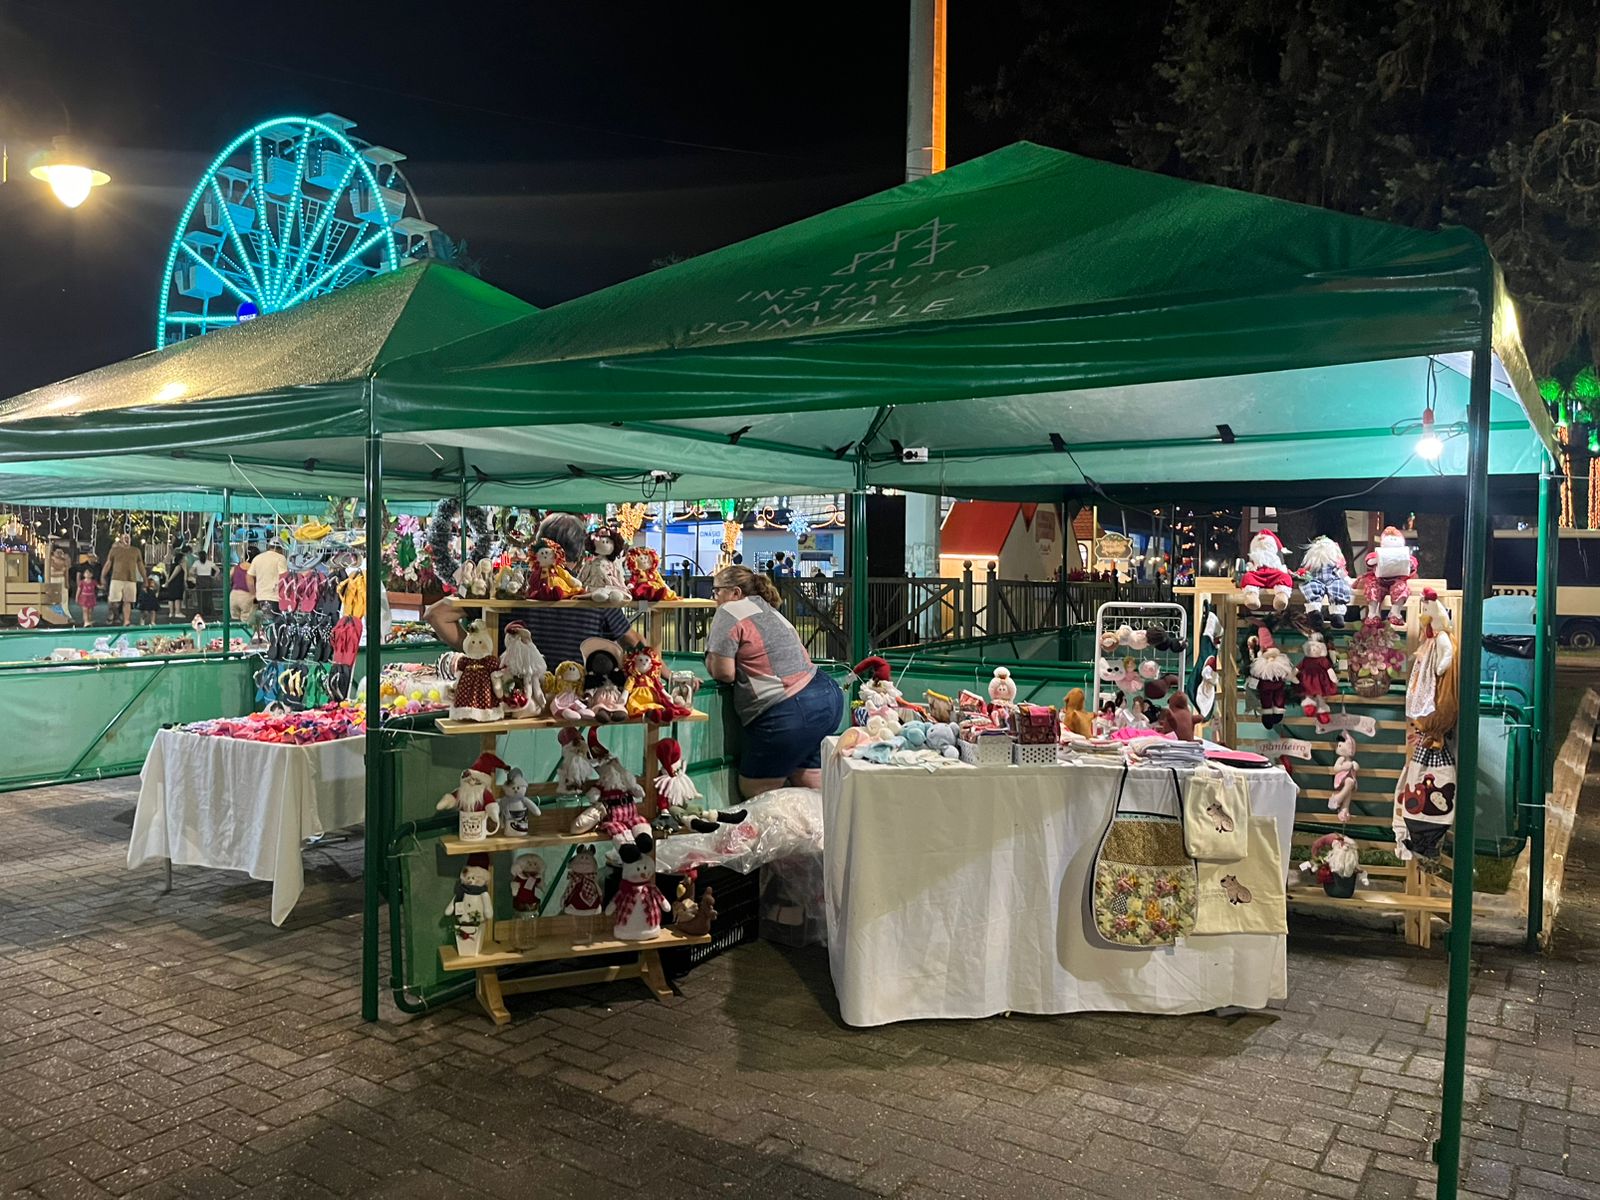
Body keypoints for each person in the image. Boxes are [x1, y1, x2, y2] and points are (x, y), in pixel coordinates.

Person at [425, 512, 644, 666]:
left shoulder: (510, 590)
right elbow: (636, 644)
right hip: (572, 708)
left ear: (537, 547)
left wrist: (481, 654)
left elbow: (436, 614)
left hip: (511, 705)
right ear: (579, 555)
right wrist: (665, 676)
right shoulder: (596, 597)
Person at [704, 564, 843, 798]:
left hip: (787, 709)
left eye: (717, 591)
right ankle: (819, 834)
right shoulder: (770, 611)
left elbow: (723, 672)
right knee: (809, 785)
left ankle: (776, 835)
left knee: (758, 793)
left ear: (735, 593)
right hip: (826, 694)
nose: (714, 597)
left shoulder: (730, 611)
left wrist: (709, 660)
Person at [101, 532, 147, 627]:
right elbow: (108, 563)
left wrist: (145, 578)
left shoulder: (135, 550)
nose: (126, 539)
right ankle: (115, 615)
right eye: (124, 537)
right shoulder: (115, 550)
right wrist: (102, 575)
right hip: (116, 578)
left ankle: (126, 621)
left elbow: (140, 565)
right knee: (113, 601)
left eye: (128, 537)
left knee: (128, 601)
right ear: (121, 539)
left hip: (130, 579)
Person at [247, 539, 289, 618]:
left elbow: (249, 577)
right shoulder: (280, 558)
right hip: (274, 597)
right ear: (280, 549)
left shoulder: (257, 558)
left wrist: (254, 593)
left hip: (259, 597)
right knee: (275, 624)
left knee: (261, 624)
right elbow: (283, 577)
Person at [230, 552, 256, 625]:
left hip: (234, 595)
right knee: (246, 620)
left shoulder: (235, 568)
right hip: (247, 595)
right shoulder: (253, 568)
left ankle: (236, 635)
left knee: (234, 621)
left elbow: (228, 578)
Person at [160, 554, 189, 619]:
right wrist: (168, 582)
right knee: (177, 598)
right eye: (184, 558)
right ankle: (177, 612)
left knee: (171, 598)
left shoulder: (173, 565)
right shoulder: (179, 566)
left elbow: (168, 574)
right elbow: (173, 575)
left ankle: (171, 613)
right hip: (177, 584)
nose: (185, 559)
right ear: (181, 559)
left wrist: (167, 582)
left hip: (173, 584)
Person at [191, 551, 217, 618]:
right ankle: (210, 611)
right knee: (208, 597)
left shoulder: (196, 563)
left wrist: (195, 575)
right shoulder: (209, 562)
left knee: (200, 597)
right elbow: (218, 570)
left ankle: (201, 611)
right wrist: (213, 576)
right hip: (208, 579)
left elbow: (191, 571)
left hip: (200, 579)